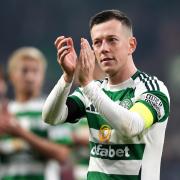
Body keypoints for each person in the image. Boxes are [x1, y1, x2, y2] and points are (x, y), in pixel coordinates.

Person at [42, 9, 170, 180]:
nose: (104, 49)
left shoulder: (152, 89)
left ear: (131, 45)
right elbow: (51, 117)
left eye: (112, 40)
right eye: (97, 42)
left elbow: (131, 126)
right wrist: (67, 77)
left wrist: (87, 85)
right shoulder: (93, 90)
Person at [0, 47, 73, 180]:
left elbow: (63, 153)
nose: (30, 77)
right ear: (11, 75)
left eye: (35, 71)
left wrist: (22, 134)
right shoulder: (3, 113)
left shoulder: (53, 109)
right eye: (24, 71)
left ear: (43, 75)